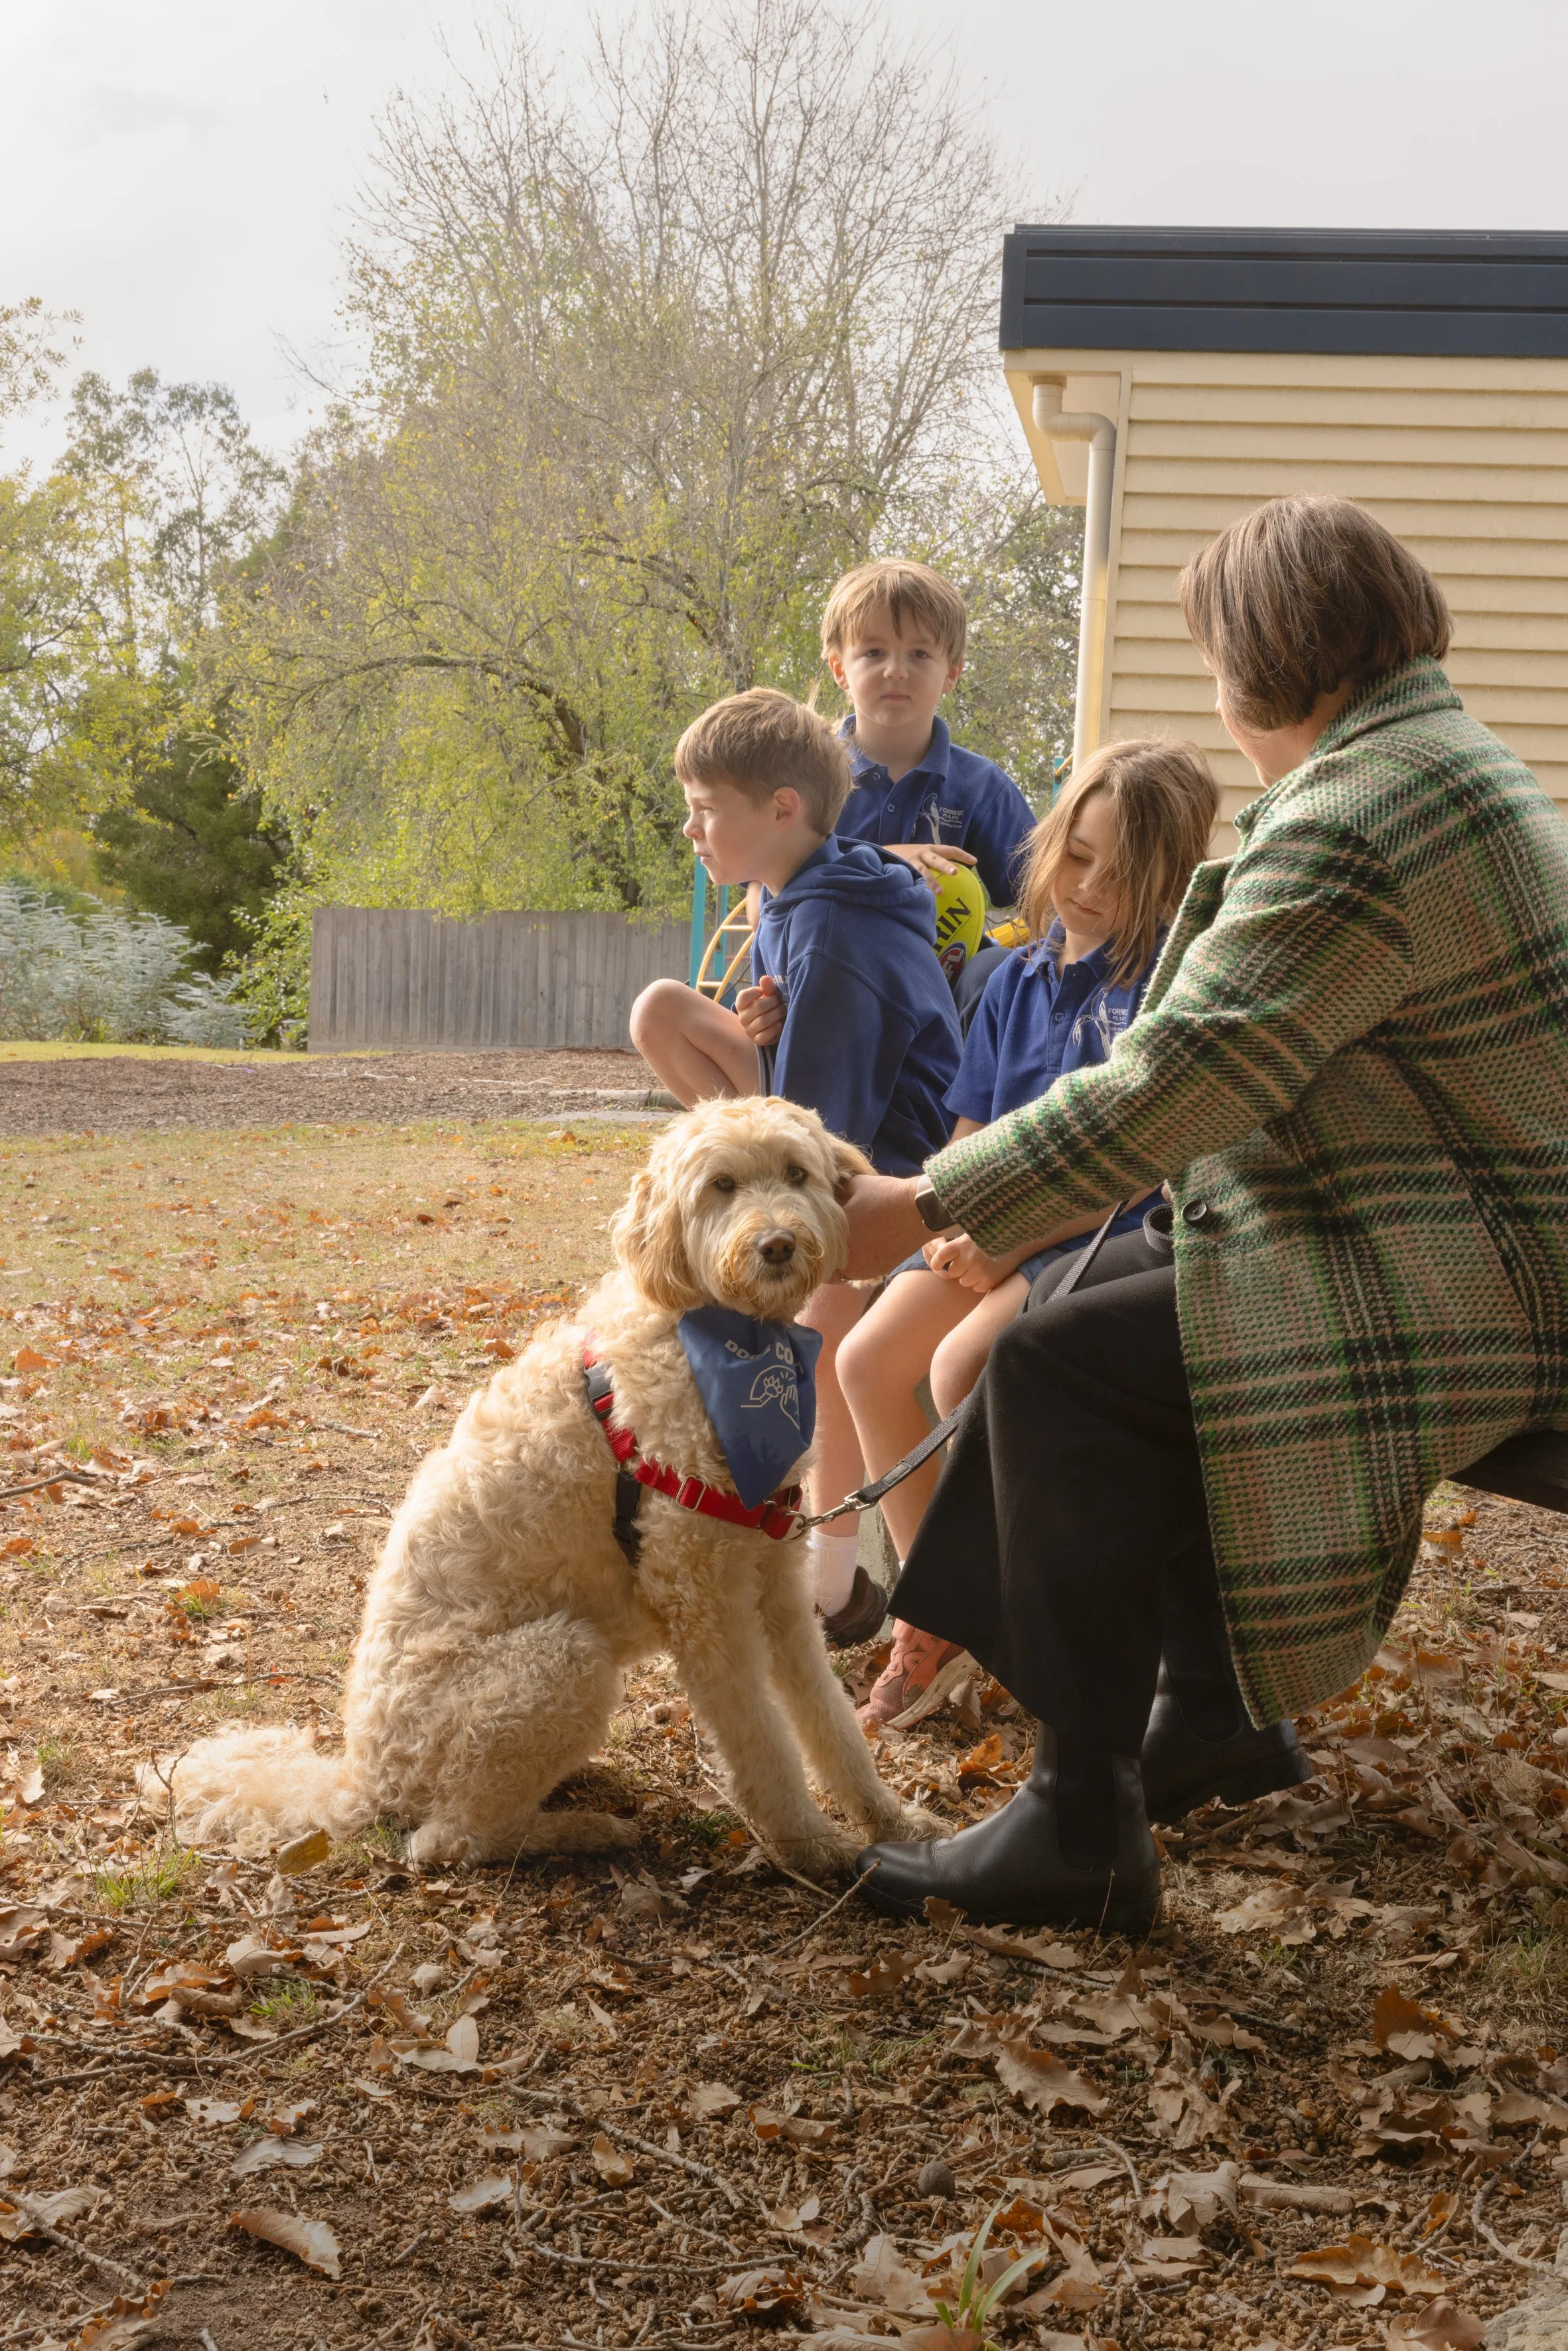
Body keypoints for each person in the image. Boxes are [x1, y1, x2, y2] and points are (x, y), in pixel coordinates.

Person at [828, 494, 1568, 1932]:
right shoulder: (1439, 760)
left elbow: (1175, 1079)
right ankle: (1210, 1709)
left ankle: (1077, 1827)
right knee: (1126, 1292)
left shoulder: (1359, 818)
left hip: (1490, 1275)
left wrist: (920, 1204)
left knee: (1051, 1366)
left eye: (1217, 659)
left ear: (1265, 665)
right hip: (1487, 1230)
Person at [838, 741, 1219, 1730]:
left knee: (963, 1365)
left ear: (1167, 881)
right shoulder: (1012, 976)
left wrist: (1003, 1238)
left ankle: (999, 1623)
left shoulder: (1158, 992)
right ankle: (937, 1614)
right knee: (867, 1359)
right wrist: (945, 1219)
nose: (1087, 887)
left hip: (1089, 1235)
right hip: (991, 1221)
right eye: (1076, 856)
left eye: (1119, 874)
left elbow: (1137, 1164)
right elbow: (969, 1134)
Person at [629, 687, 961, 1645]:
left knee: (822, 1326)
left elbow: (832, 1134)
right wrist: (763, 1020)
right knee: (662, 1009)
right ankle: (726, 1186)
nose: (689, 828)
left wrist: (802, 1230)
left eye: (705, 809)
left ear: (781, 809)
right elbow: (796, 1055)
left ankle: (832, 1587)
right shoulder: (785, 892)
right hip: (815, 1098)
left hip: (889, 1151)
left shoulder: (832, 933)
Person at [823, 555, 1037, 930]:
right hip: (824, 961)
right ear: (840, 668)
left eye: (919, 654)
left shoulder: (982, 788)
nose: (896, 670)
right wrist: (884, 861)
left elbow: (1045, 898)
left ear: (951, 673)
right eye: (874, 652)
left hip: (941, 969)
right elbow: (766, 902)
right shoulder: (806, 774)